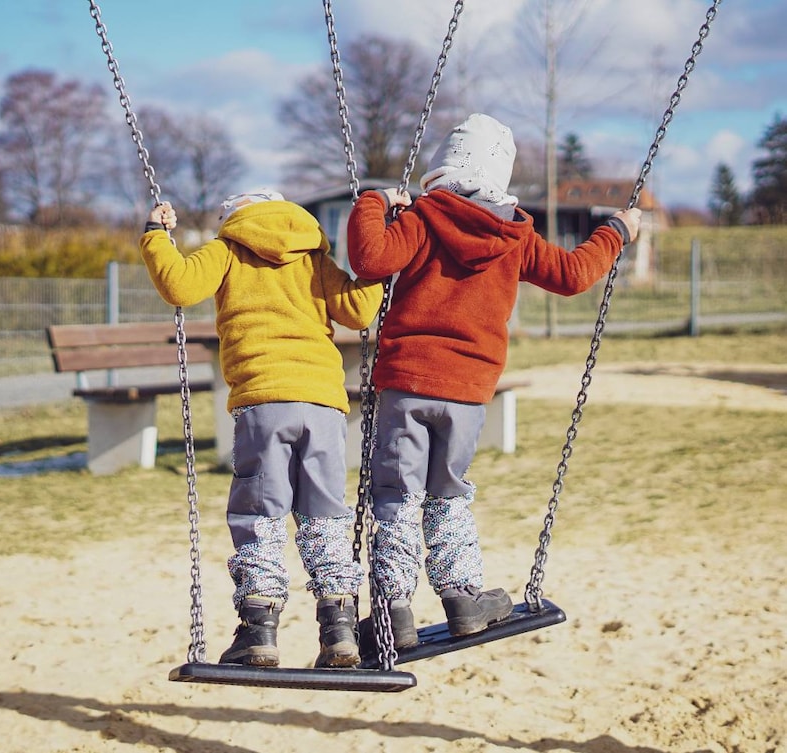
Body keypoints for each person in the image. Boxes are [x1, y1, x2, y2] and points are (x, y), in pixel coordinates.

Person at [347, 113, 641, 648]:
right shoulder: (515, 235)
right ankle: (462, 598)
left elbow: (368, 259)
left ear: (442, 167)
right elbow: (575, 274)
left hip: (408, 383)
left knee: (396, 495)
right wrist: (616, 231)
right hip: (468, 392)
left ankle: (394, 611)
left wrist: (373, 201)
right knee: (448, 494)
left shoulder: (423, 218)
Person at [140, 190, 384, 668]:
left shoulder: (228, 247)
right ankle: (339, 630)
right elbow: (357, 312)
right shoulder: (312, 255)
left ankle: (259, 631)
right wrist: (378, 264)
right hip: (323, 404)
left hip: (263, 399)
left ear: (232, 218)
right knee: (325, 516)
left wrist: (156, 237)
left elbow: (180, 286)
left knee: (261, 515)